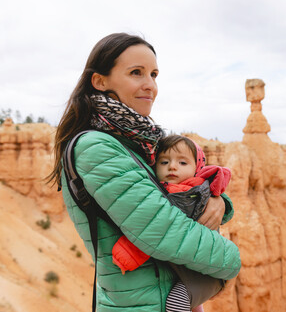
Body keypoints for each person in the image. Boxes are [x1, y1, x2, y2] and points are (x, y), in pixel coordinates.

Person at [48, 33, 241, 312]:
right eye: (136, 73)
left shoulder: (137, 144)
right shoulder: (95, 146)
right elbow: (160, 230)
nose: (149, 85)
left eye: (154, 74)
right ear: (100, 81)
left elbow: (178, 192)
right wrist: (232, 260)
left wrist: (219, 203)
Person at [112, 134, 232, 312]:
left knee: (176, 303)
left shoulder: (185, 195)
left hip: (203, 270)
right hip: (191, 267)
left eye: (182, 163)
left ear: (197, 169)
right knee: (191, 302)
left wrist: (127, 253)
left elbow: (158, 228)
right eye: (164, 162)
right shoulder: (176, 190)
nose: (172, 166)